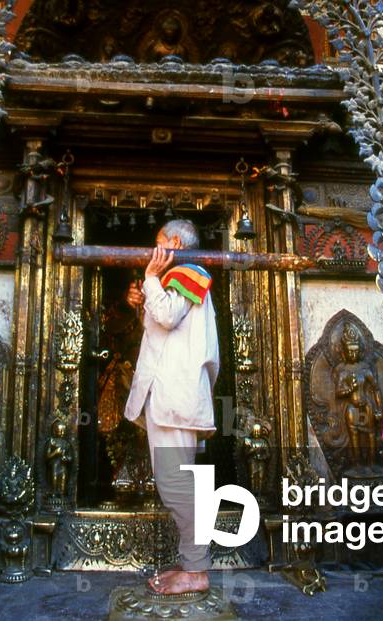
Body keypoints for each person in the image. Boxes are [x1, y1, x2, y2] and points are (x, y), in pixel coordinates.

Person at [123, 219, 220, 595]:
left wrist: (149, 279)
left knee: (176, 484)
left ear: (175, 242)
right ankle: (192, 563)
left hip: (175, 397)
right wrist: (142, 299)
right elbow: (159, 327)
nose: (153, 250)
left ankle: (196, 570)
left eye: (158, 242)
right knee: (177, 482)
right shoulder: (175, 278)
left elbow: (166, 316)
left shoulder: (190, 272)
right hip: (168, 397)